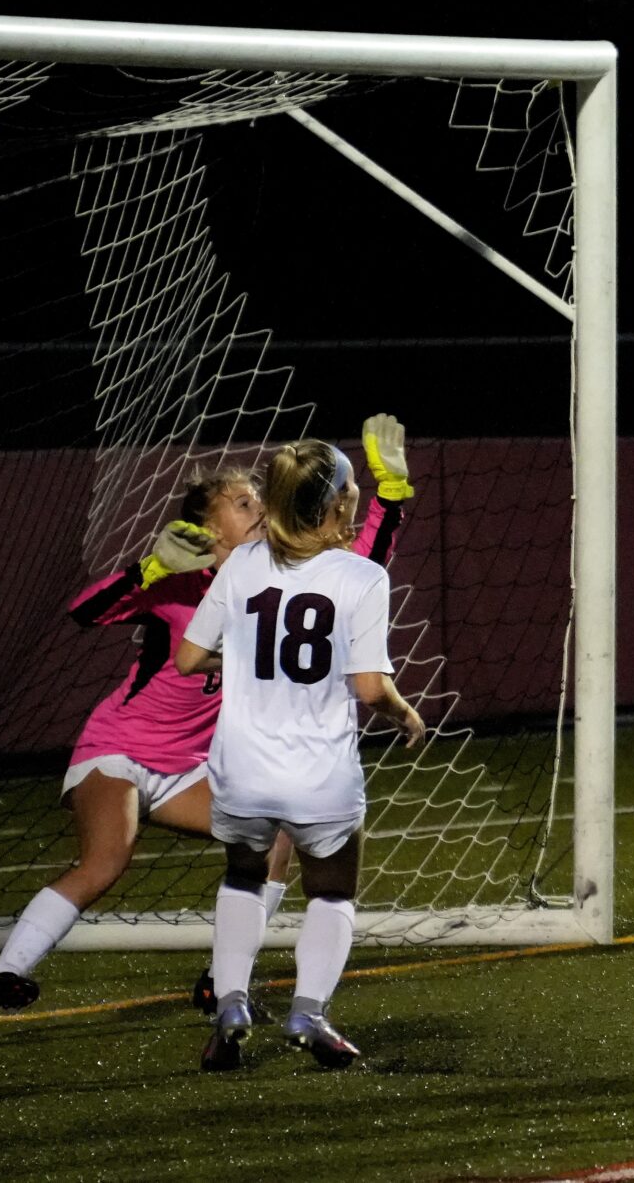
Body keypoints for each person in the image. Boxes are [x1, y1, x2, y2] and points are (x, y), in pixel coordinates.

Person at [0, 421, 412, 1019]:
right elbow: (83, 612)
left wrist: (392, 493)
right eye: (242, 502)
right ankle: (6, 973)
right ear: (208, 528)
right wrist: (148, 567)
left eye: (258, 497)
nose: (257, 505)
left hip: (189, 770)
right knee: (106, 860)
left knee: (277, 836)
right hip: (118, 750)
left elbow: (361, 560)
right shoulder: (177, 583)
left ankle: (224, 980)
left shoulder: (270, 572)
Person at [176, 434, 428, 1070]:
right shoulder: (363, 576)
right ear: (339, 505)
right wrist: (405, 714)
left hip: (242, 767)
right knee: (333, 894)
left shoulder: (242, 563)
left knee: (241, 877)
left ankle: (230, 1004)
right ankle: (308, 1011)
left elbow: (186, 659)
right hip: (319, 772)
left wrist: (245, 661)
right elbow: (371, 688)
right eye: (352, 492)